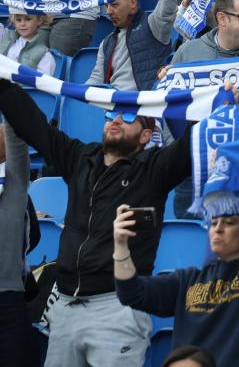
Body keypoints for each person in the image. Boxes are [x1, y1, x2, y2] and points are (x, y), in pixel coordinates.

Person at [0, 78, 191, 367]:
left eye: (128, 116)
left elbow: (194, 143)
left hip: (117, 306)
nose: (116, 120)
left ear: (145, 136)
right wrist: (5, 82)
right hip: (64, 306)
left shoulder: (155, 169)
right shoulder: (80, 158)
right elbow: (35, 127)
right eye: (111, 114)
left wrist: (214, 99)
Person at [112, 205, 239, 367]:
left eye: (229, 223)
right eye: (213, 223)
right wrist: (120, 246)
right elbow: (131, 292)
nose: (218, 228)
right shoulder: (188, 279)